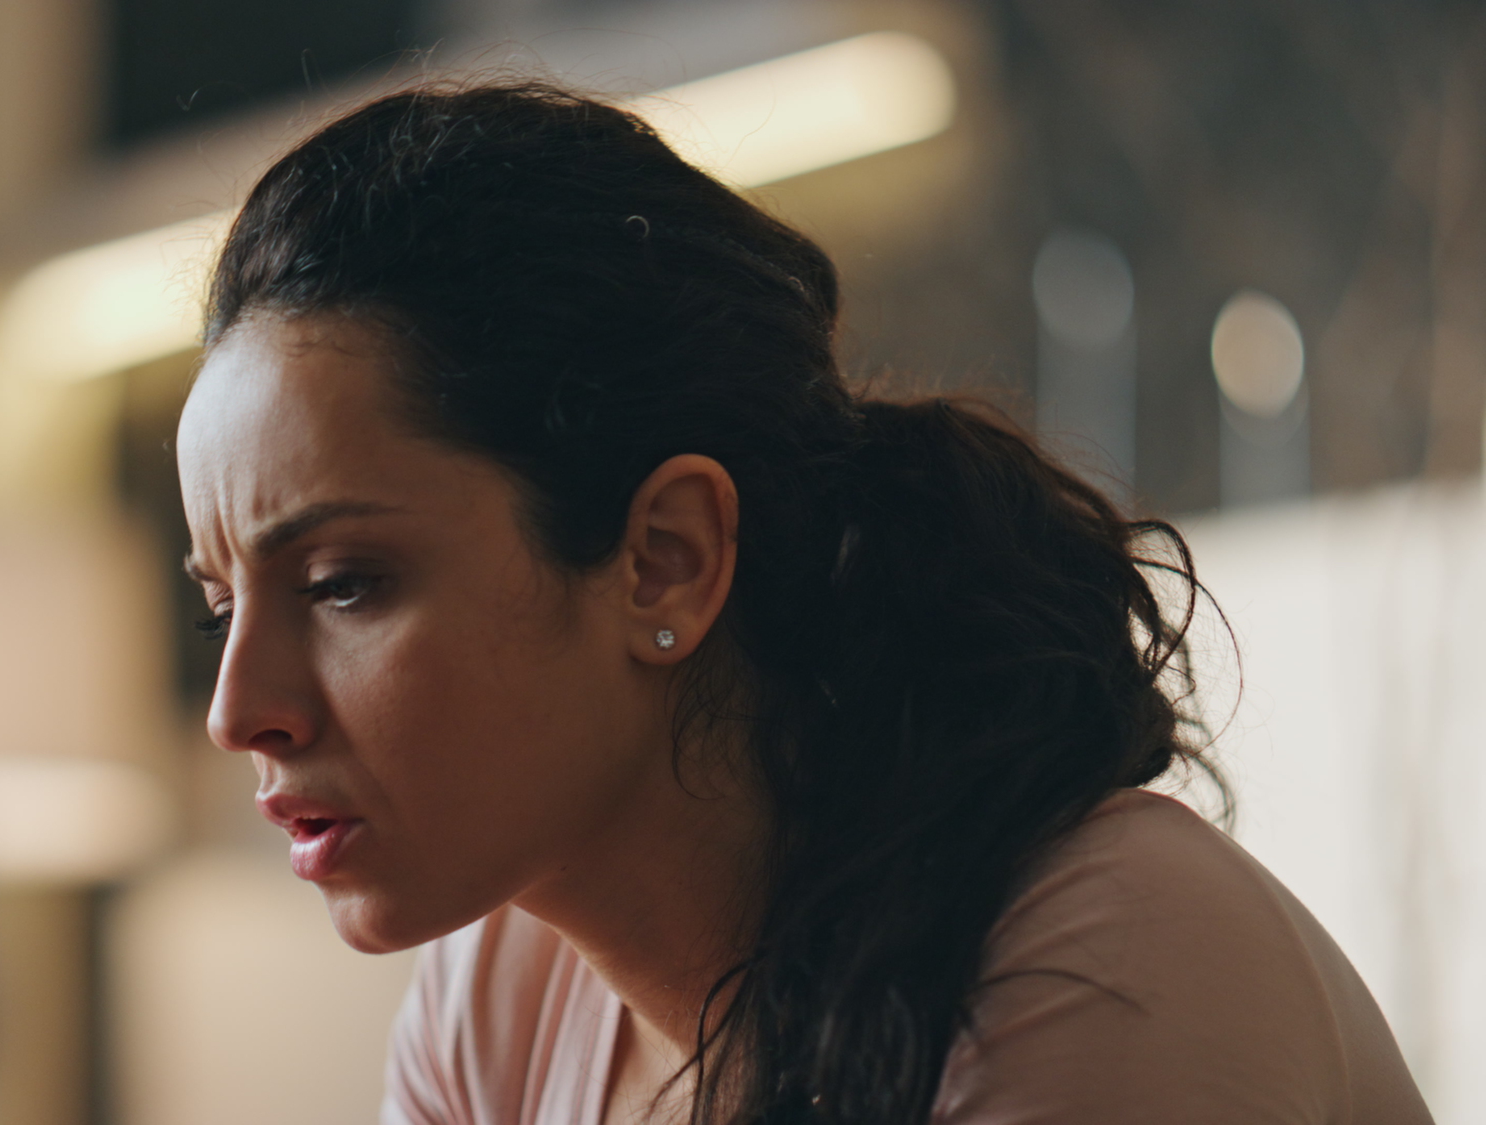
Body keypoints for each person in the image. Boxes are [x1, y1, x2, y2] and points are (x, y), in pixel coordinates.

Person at [173, 82, 1431, 1125]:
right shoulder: (499, 994)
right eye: (223, 602)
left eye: (344, 585)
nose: (241, 713)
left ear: (663, 556)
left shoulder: (1105, 958)